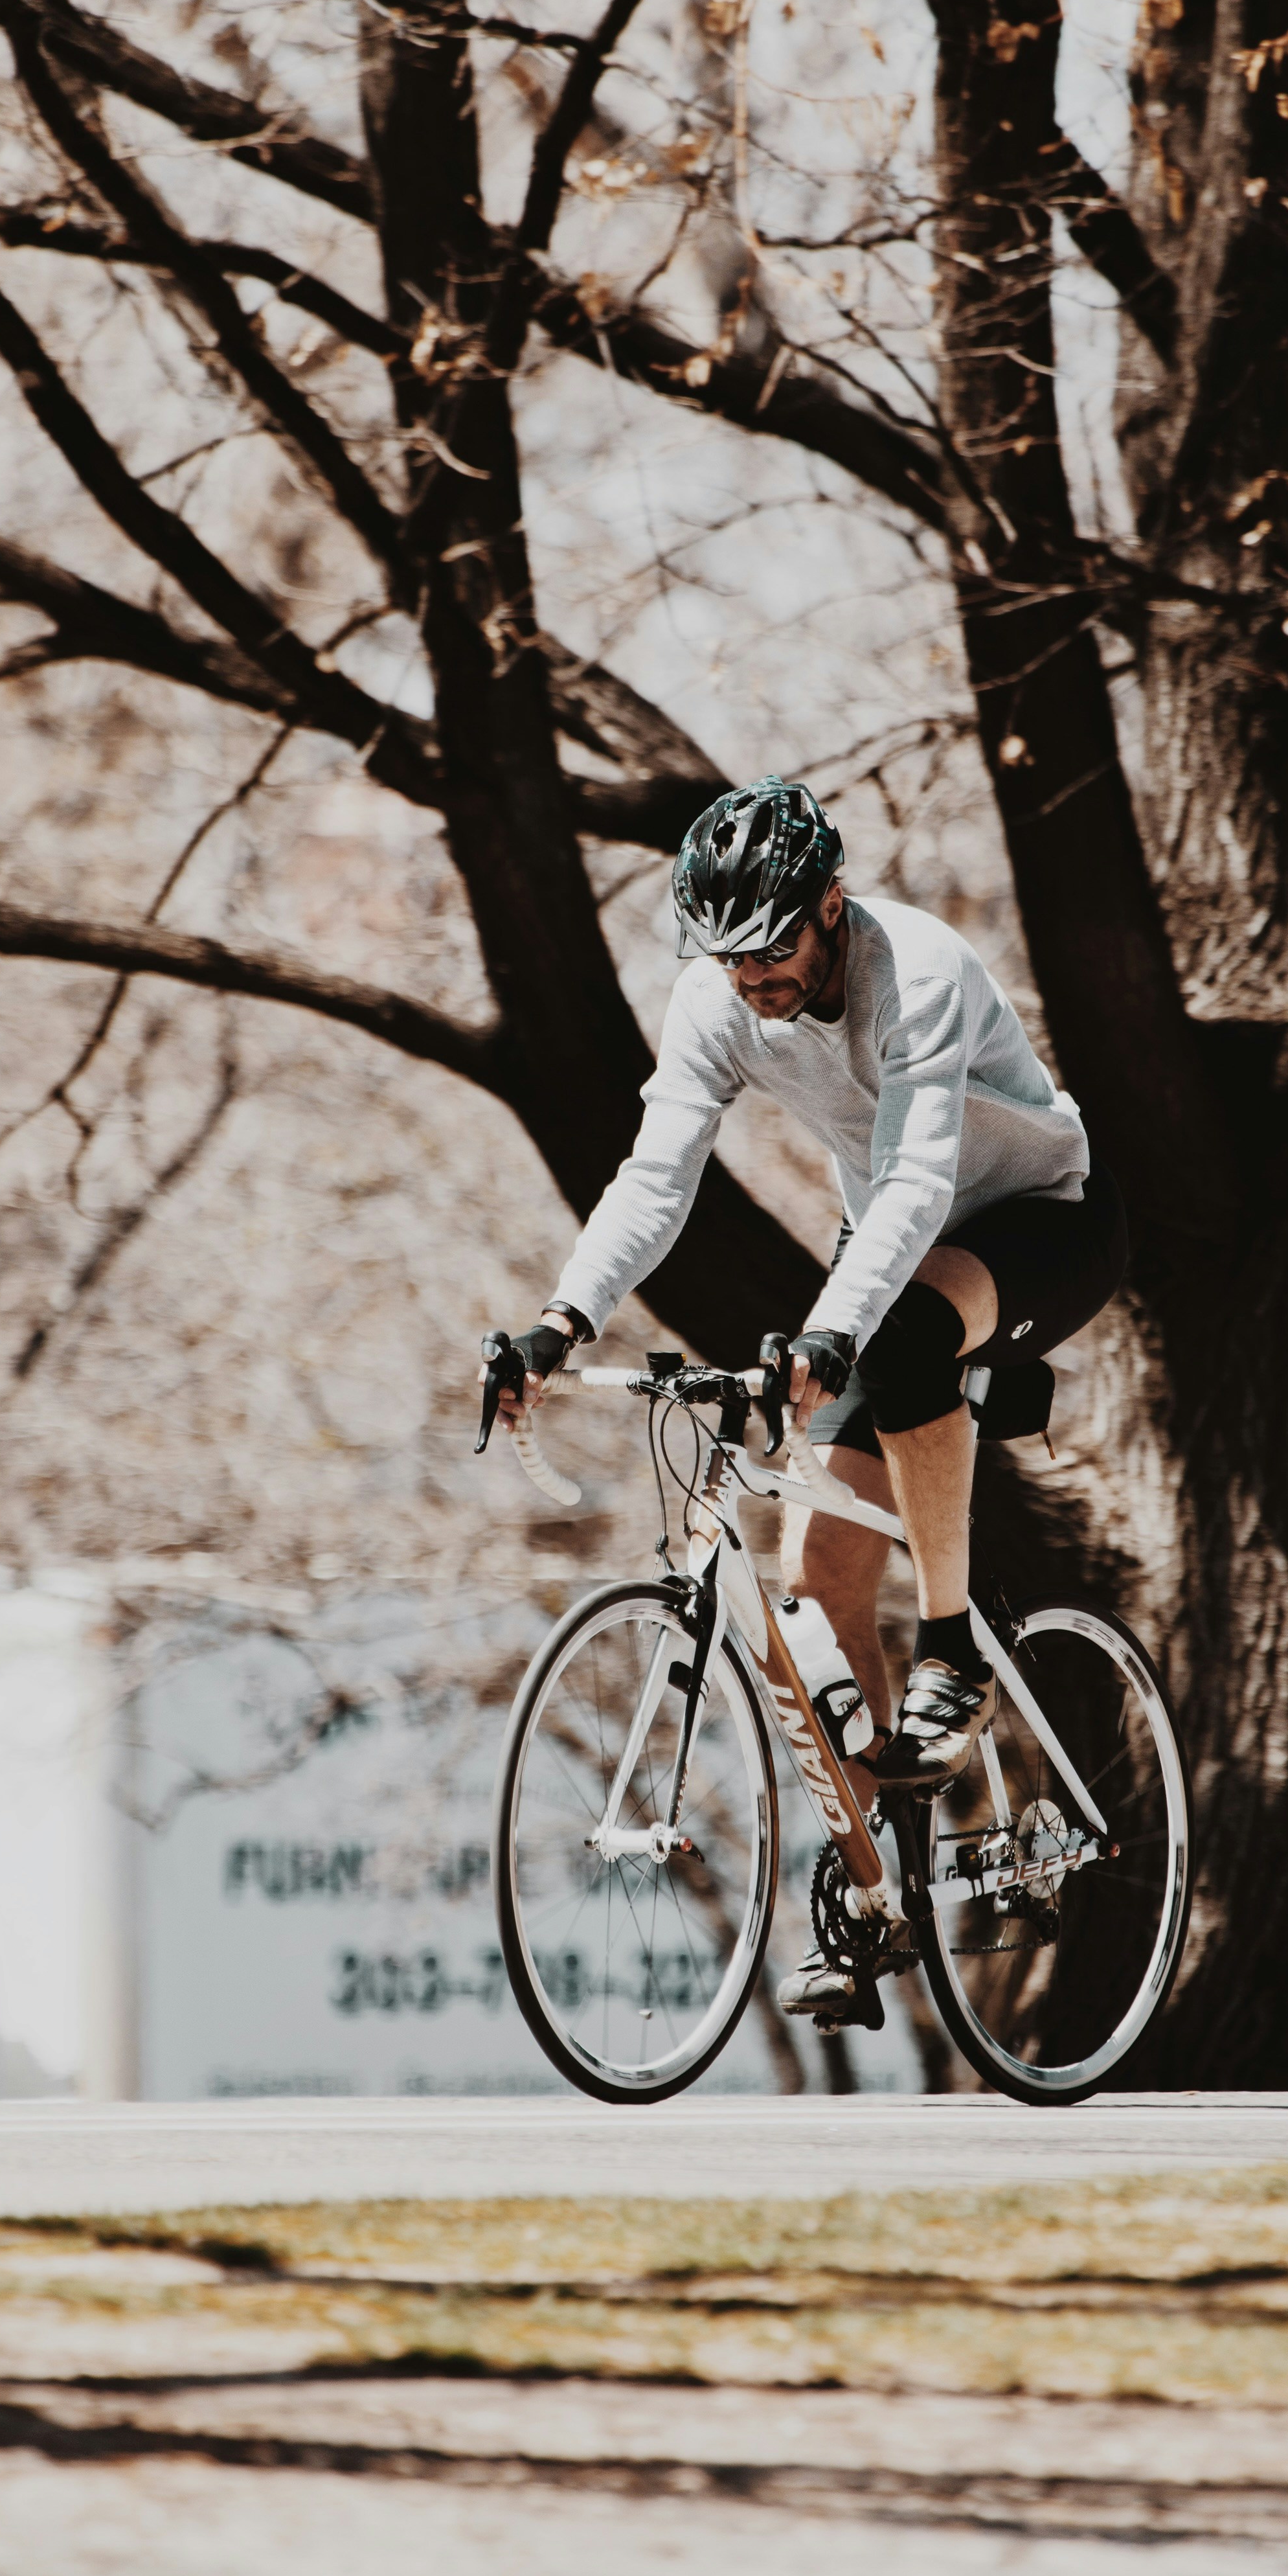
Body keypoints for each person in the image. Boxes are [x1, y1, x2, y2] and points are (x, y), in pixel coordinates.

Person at [488, 777, 1128, 2020]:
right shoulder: (720, 995)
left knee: (896, 1346)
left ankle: (951, 1647)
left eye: (772, 947)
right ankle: (875, 1902)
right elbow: (657, 1171)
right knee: (818, 1600)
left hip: (1038, 1221)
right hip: (892, 1248)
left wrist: (836, 1326)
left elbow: (918, 1177)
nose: (751, 978)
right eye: (723, 956)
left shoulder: (918, 969)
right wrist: (562, 1322)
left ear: (829, 905)